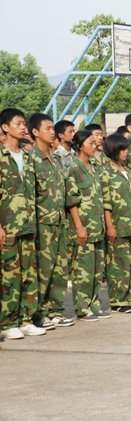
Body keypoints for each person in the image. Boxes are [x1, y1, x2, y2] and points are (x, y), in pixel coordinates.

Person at [27, 113, 74, 329]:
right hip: (42, 224)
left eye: (53, 128)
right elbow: (30, 195)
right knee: (43, 270)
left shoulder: (55, 160)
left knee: (59, 269)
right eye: (47, 128)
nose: (52, 132)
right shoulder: (31, 159)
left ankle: (55, 311)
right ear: (35, 132)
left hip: (59, 222)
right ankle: (39, 313)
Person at [0, 108, 44, 339]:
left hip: (28, 225)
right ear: (5, 128)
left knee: (29, 273)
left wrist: (34, 223)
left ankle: (26, 319)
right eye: (18, 123)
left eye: (24, 123)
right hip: (7, 227)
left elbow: (33, 193)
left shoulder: (28, 157)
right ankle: (7, 323)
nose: (23, 127)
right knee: (9, 276)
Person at [66, 130, 109, 321]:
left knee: (97, 269)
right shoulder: (74, 168)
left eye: (95, 143)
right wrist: (79, 227)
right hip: (84, 226)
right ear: (79, 146)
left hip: (97, 226)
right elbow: (72, 201)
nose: (95, 145)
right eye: (90, 143)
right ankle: (83, 308)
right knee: (83, 269)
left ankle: (94, 304)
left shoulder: (95, 167)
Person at [101, 133, 131, 313]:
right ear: (113, 150)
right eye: (122, 149)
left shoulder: (128, 170)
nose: (126, 152)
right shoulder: (106, 173)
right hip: (118, 225)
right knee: (118, 265)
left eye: (126, 148)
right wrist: (110, 226)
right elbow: (106, 203)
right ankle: (119, 300)